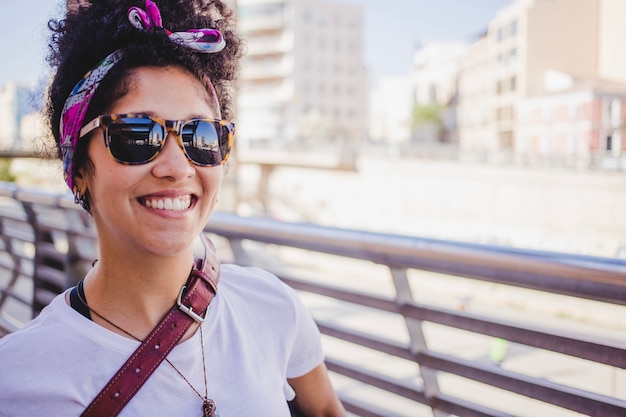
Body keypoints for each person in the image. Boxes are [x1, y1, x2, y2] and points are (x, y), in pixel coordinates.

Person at [0, 1, 346, 416]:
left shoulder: (271, 307)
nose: (176, 167)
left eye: (201, 136)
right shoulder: (18, 379)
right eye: (136, 134)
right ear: (78, 172)